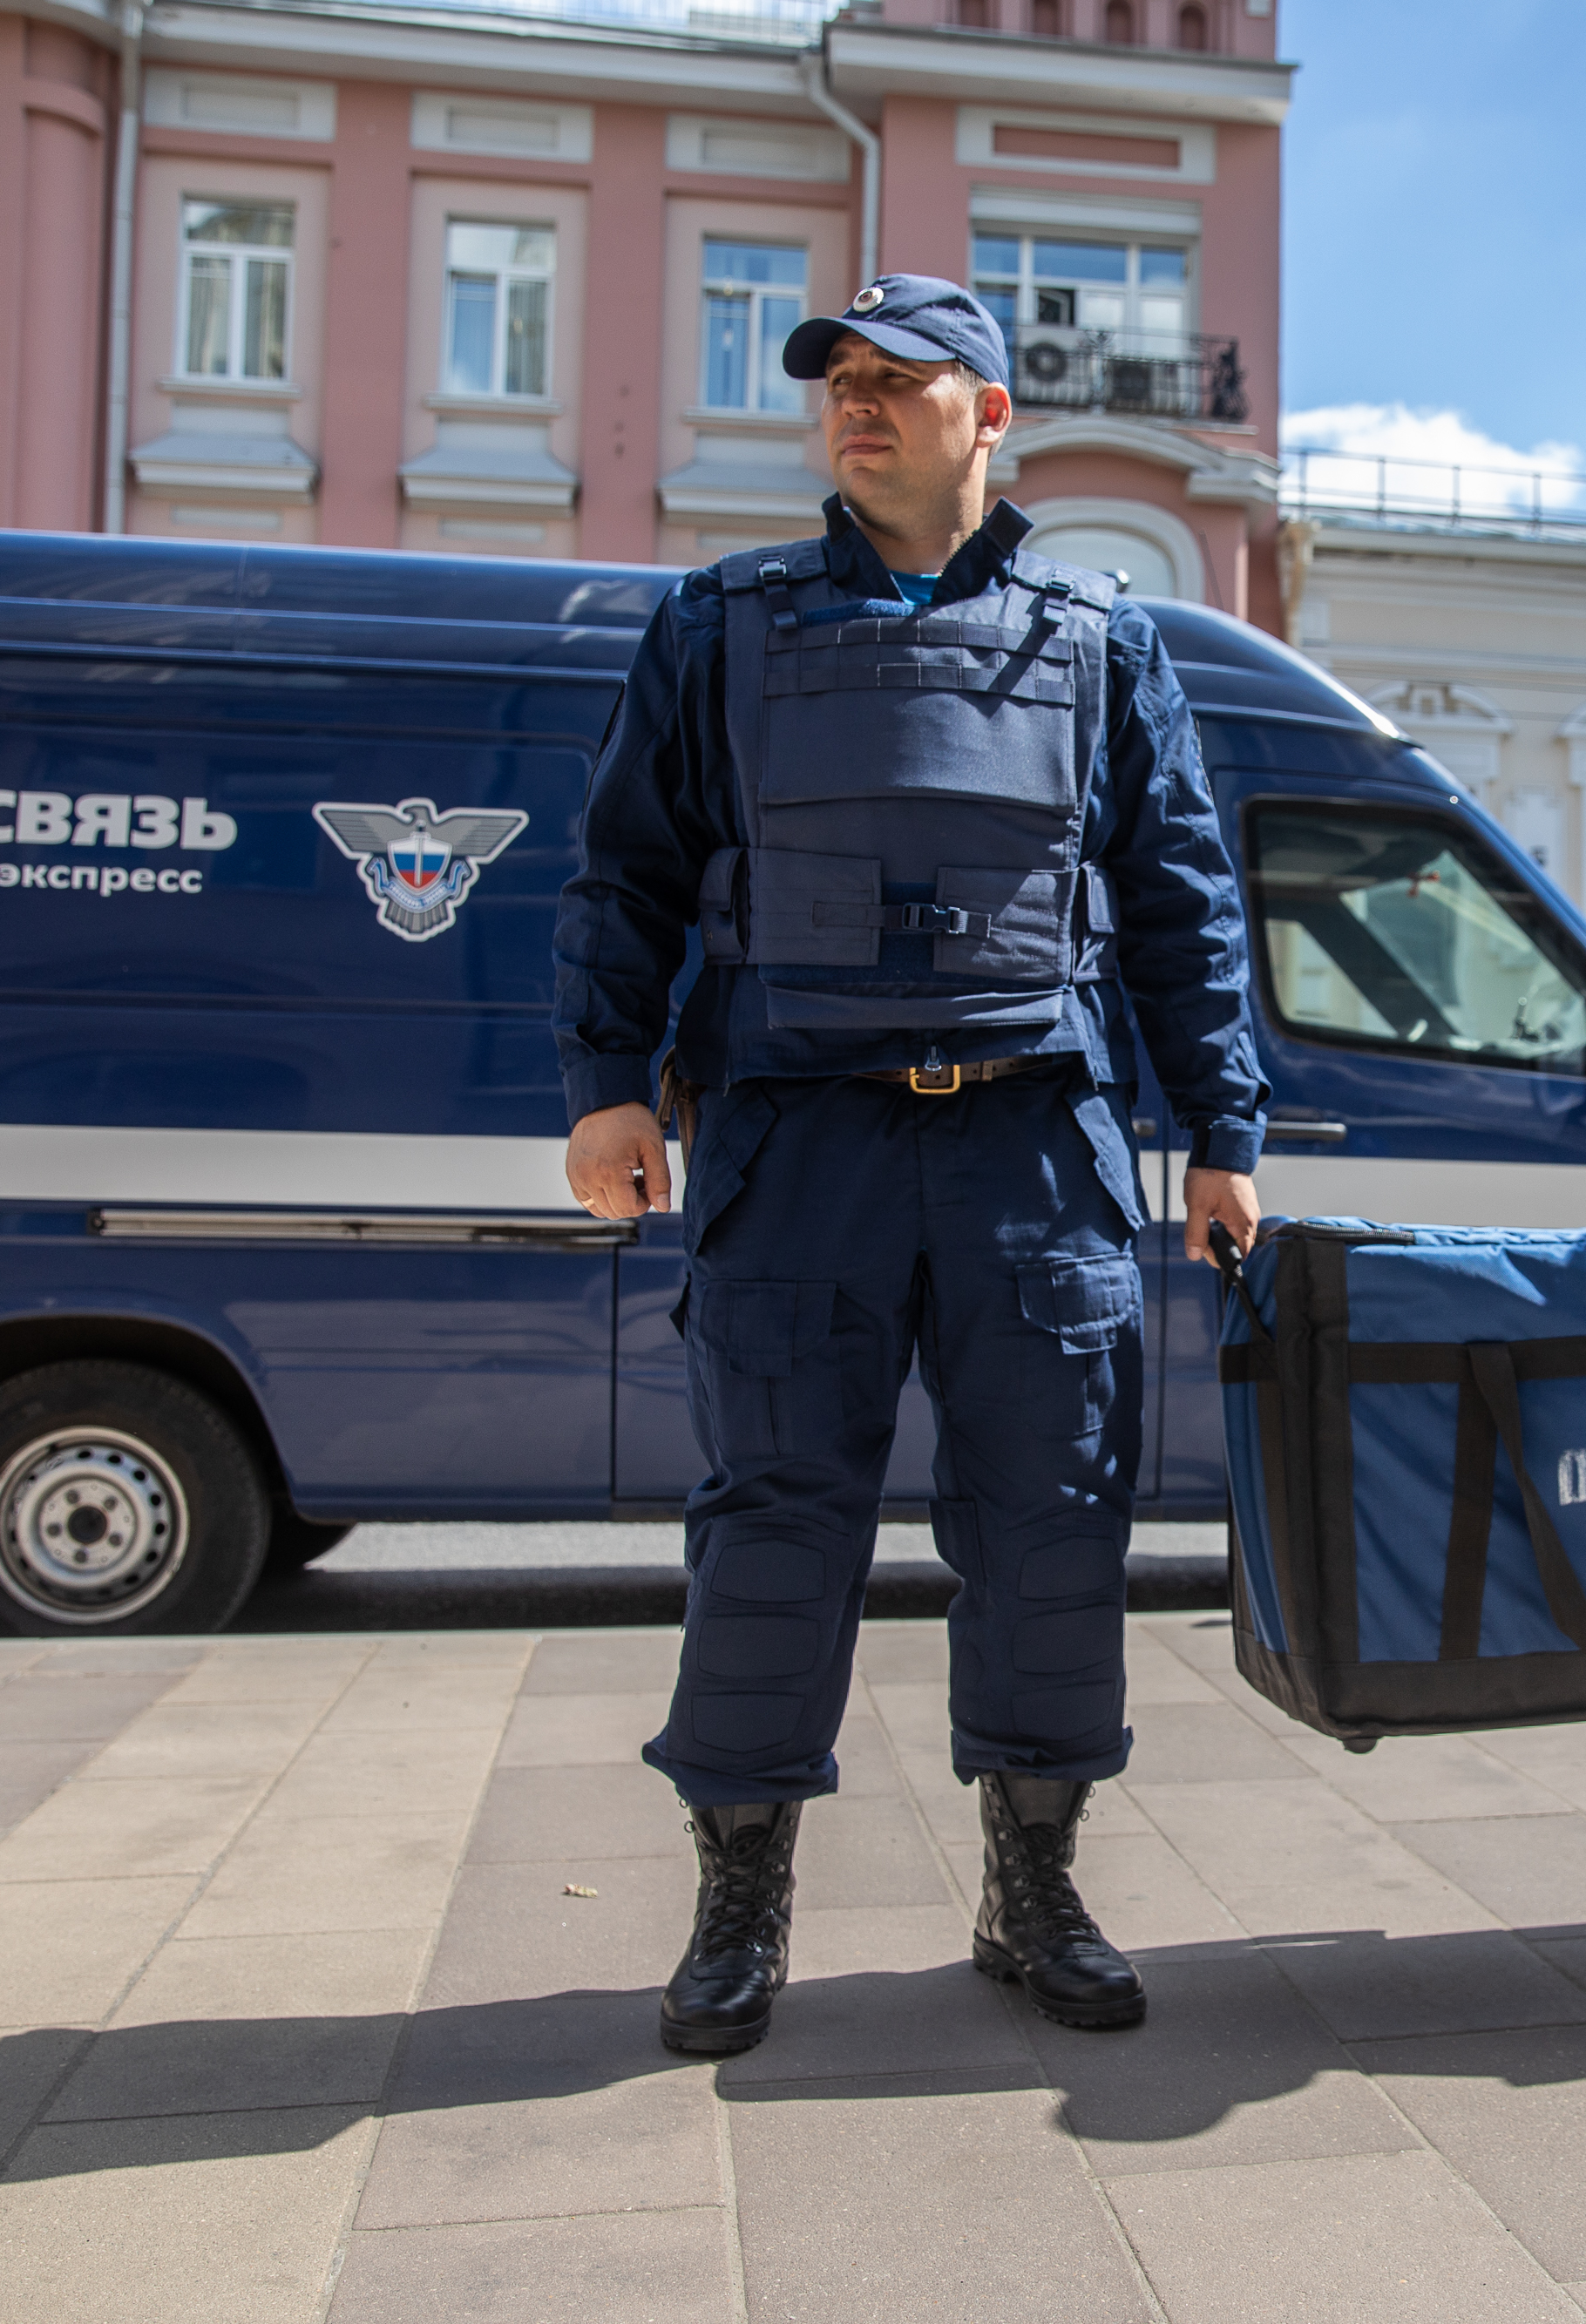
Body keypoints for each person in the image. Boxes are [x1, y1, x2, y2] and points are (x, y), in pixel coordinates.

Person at [553, 274, 1270, 2054]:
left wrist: (1221, 1131)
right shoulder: (718, 625)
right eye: (838, 384)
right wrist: (605, 1084)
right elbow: (624, 874)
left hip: (1036, 1139)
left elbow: (1179, 896)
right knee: (772, 1528)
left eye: (899, 381)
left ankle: (1032, 1885)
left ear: (988, 410)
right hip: (794, 1141)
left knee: (1051, 1528)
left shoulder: (1104, 635)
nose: (855, 406)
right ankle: (740, 1898)